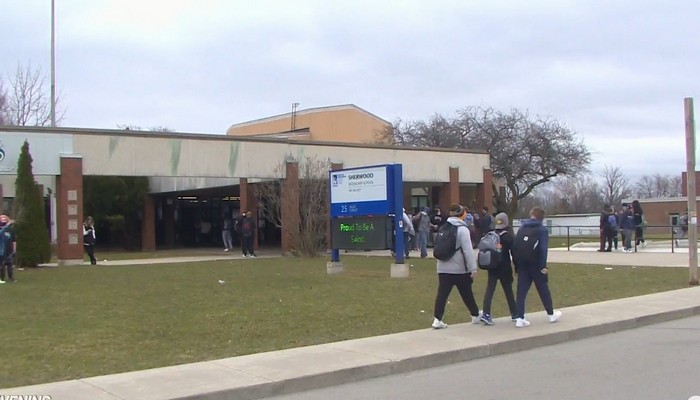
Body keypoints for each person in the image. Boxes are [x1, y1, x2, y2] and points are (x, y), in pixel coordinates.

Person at [431, 204, 481, 329]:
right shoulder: (463, 230)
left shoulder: (443, 228)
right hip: (459, 269)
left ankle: (437, 319)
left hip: (442, 267)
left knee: (442, 294)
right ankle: (475, 315)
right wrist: (473, 268)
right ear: (462, 214)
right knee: (467, 293)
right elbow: (468, 251)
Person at [512, 207, 561, 328]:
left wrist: (516, 266)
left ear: (531, 215)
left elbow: (515, 247)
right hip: (536, 264)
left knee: (521, 292)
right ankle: (550, 314)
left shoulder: (522, 228)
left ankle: (520, 318)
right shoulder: (542, 230)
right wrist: (543, 265)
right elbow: (543, 249)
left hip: (522, 263)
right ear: (542, 217)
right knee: (543, 289)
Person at [480, 212, 517, 325]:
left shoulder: (491, 235)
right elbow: (514, 254)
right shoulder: (508, 237)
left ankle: (486, 313)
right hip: (504, 267)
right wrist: (517, 267)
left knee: (490, 290)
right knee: (508, 291)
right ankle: (514, 313)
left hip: (493, 267)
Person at [0, 215, 17, 283]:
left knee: (10, 264)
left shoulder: (11, 230)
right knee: (2, 265)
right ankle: (2, 278)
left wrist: (14, 249)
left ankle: (11, 277)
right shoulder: (1, 230)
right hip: (1, 251)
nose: (3, 220)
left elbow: (14, 240)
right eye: (1, 219)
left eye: (4, 219)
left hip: (9, 250)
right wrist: (8, 223)